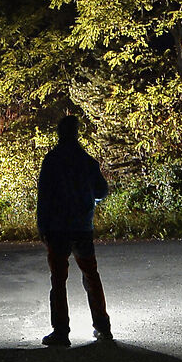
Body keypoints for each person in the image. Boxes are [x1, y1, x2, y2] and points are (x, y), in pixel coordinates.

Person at [34, 114, 111, 345]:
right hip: (82, 227)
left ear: (59, 133)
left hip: (57, 228)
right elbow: (102, 191)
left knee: (58, 280)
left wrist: (42, 225)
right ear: (76, 133)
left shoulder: (52, 160)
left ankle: (61, 332)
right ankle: (102, 327)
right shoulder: (87, 161)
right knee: (91, 276)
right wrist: (88, 201)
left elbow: (44, 197)